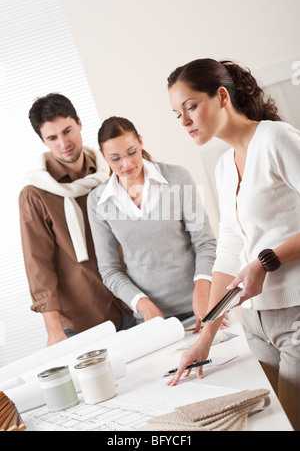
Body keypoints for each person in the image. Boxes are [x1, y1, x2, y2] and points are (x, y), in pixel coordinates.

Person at [166, 58, 300, 431]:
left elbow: (256, 257)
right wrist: (205, 335)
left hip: (296, 313)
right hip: (254, 322)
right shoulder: (225, 167)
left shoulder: (275, 138)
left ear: (222, 96)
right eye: (177, 114)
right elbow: (228, 248)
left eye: (191, 106)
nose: (185, 121)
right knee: (272, 424)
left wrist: (264, 262)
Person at [19, 93, 134, 346]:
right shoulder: (36, 193)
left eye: (67, 130)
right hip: (84, 320)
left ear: (79, 123)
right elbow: (38, 265)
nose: (64, 143)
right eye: (52, 137)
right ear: (43, 141)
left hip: (135, 302)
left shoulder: (112, 169)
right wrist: (53, 330)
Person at [87, 116, 217, 327]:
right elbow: (109, 270)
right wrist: (144, 306)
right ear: (103, 156)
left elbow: (205, 243)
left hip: (200, 309)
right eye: (115, 158)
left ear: (140, 141)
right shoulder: (98, 201)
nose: (126, 163)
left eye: (131, 152)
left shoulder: (177, 178)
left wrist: (203, 291)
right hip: (151, 321)